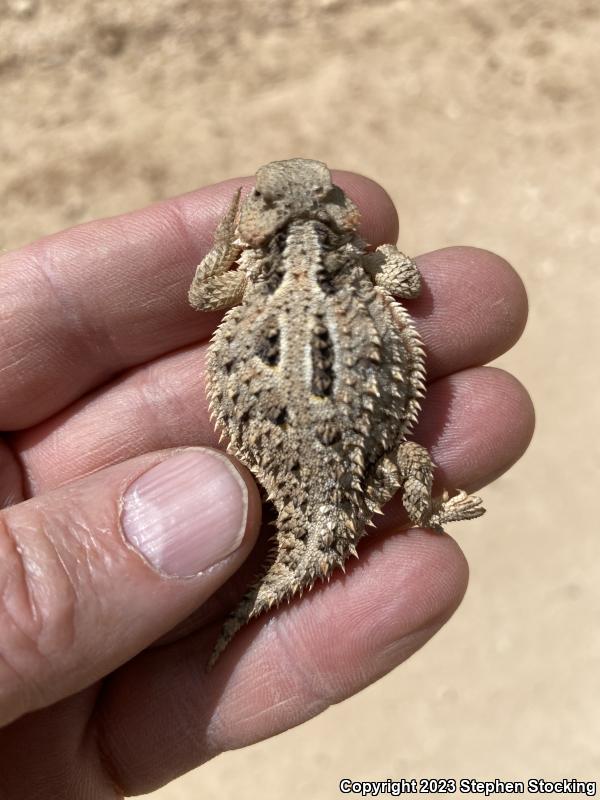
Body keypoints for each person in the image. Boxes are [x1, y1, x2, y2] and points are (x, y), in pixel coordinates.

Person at [0, 170, 533, 797]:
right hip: (352, 443)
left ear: (257, 228)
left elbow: (203, 294)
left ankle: (404, 512)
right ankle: (425, 511)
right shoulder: (365, 269)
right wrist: (379, 258)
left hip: (294, 436)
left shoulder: (249, 275)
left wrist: (225, 244)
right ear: (343, 217)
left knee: (392, 465)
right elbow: (408, 281)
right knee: (406, 461)